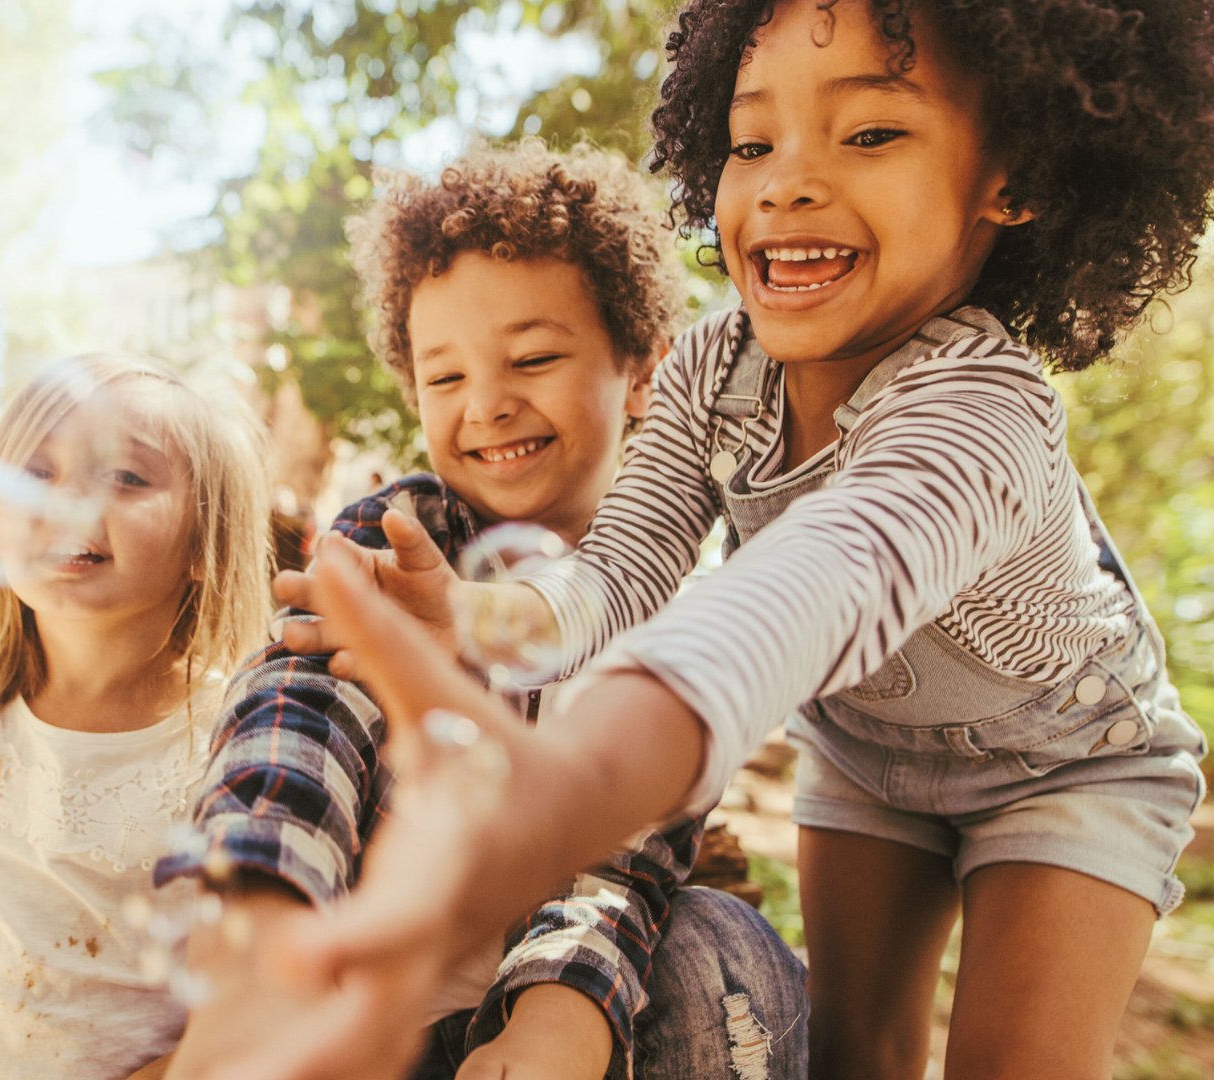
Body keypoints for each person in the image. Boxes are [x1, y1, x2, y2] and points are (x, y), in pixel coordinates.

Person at [252, 2, 1214, 1079]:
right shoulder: (710, 369)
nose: (786, 181)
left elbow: (816, 584)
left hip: (1068, 762)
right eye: (752, 142)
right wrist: (480, 616)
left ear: (1013, 180)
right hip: (869, 753)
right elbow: (626, 570)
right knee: (851, 1056)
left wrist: (582, 780)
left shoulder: (984, 411)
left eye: (871, 133)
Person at [160, 142, 807, 1080]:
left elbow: (625, 851)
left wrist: (563, 1009)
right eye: (446, 378)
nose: (489, 406)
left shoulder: (666, 602)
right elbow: (296, 715)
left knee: (728, 945)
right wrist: (262, 919)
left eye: (533, 358)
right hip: (361, 1013)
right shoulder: (400, 533)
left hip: (559, 1017)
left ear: (641, 376)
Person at [0, 355, 272, 1080]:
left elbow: (248, 1008)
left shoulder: (240, 745)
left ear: (205, 540)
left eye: (126, 477)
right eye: (37, 473)